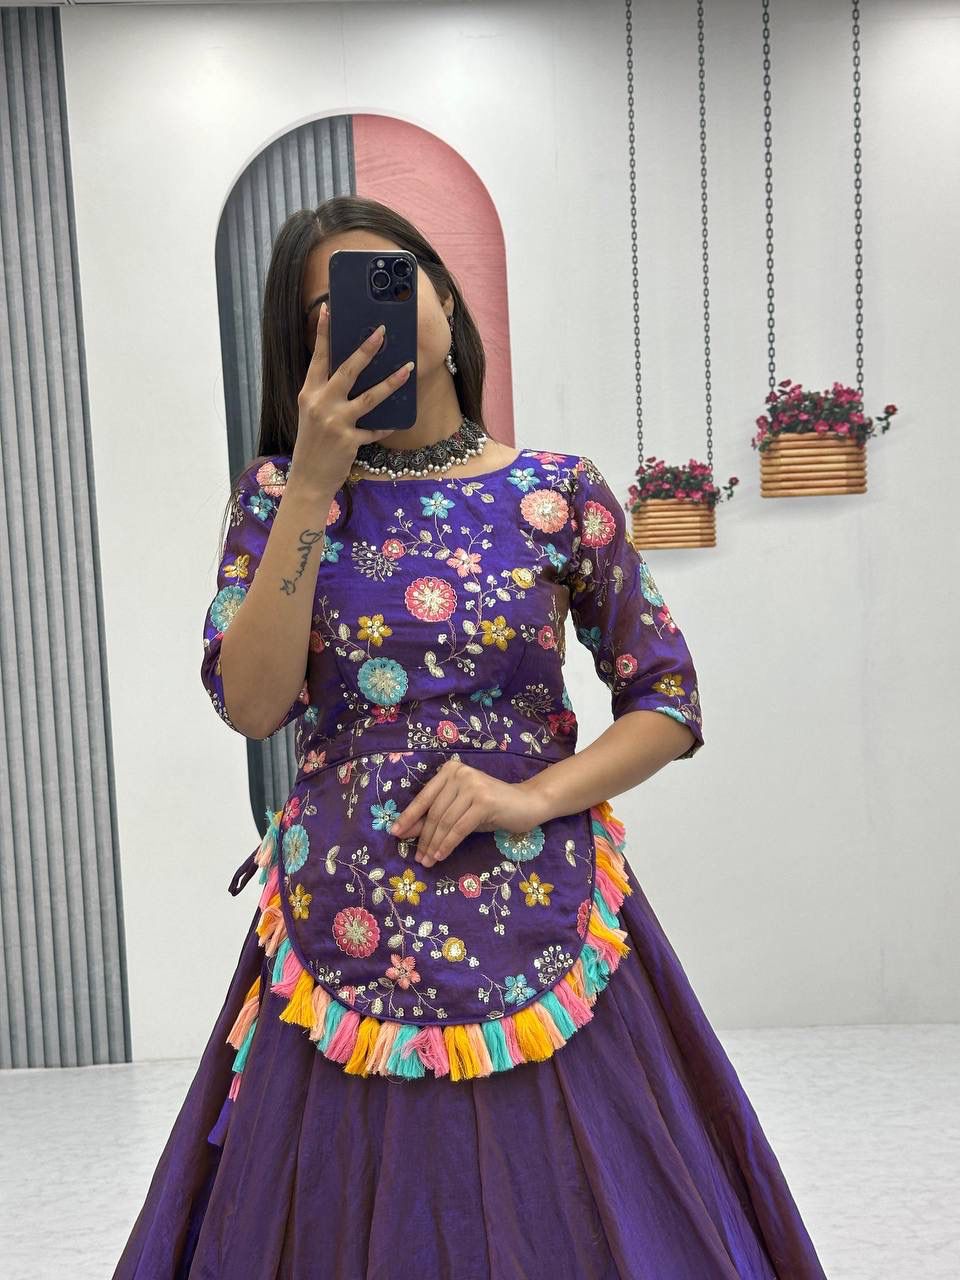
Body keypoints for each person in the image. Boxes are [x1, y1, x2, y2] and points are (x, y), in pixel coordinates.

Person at [113, 196, 826, 1279]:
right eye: (329, 308)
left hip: (541, 905)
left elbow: (667, 698)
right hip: (343, 922)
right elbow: (252, 705)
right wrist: (312, 485)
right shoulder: (277, 499)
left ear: (446, 296)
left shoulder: (557, 491)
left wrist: (530, 795)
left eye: (392, 279)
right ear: (304, 346)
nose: (370, 315)